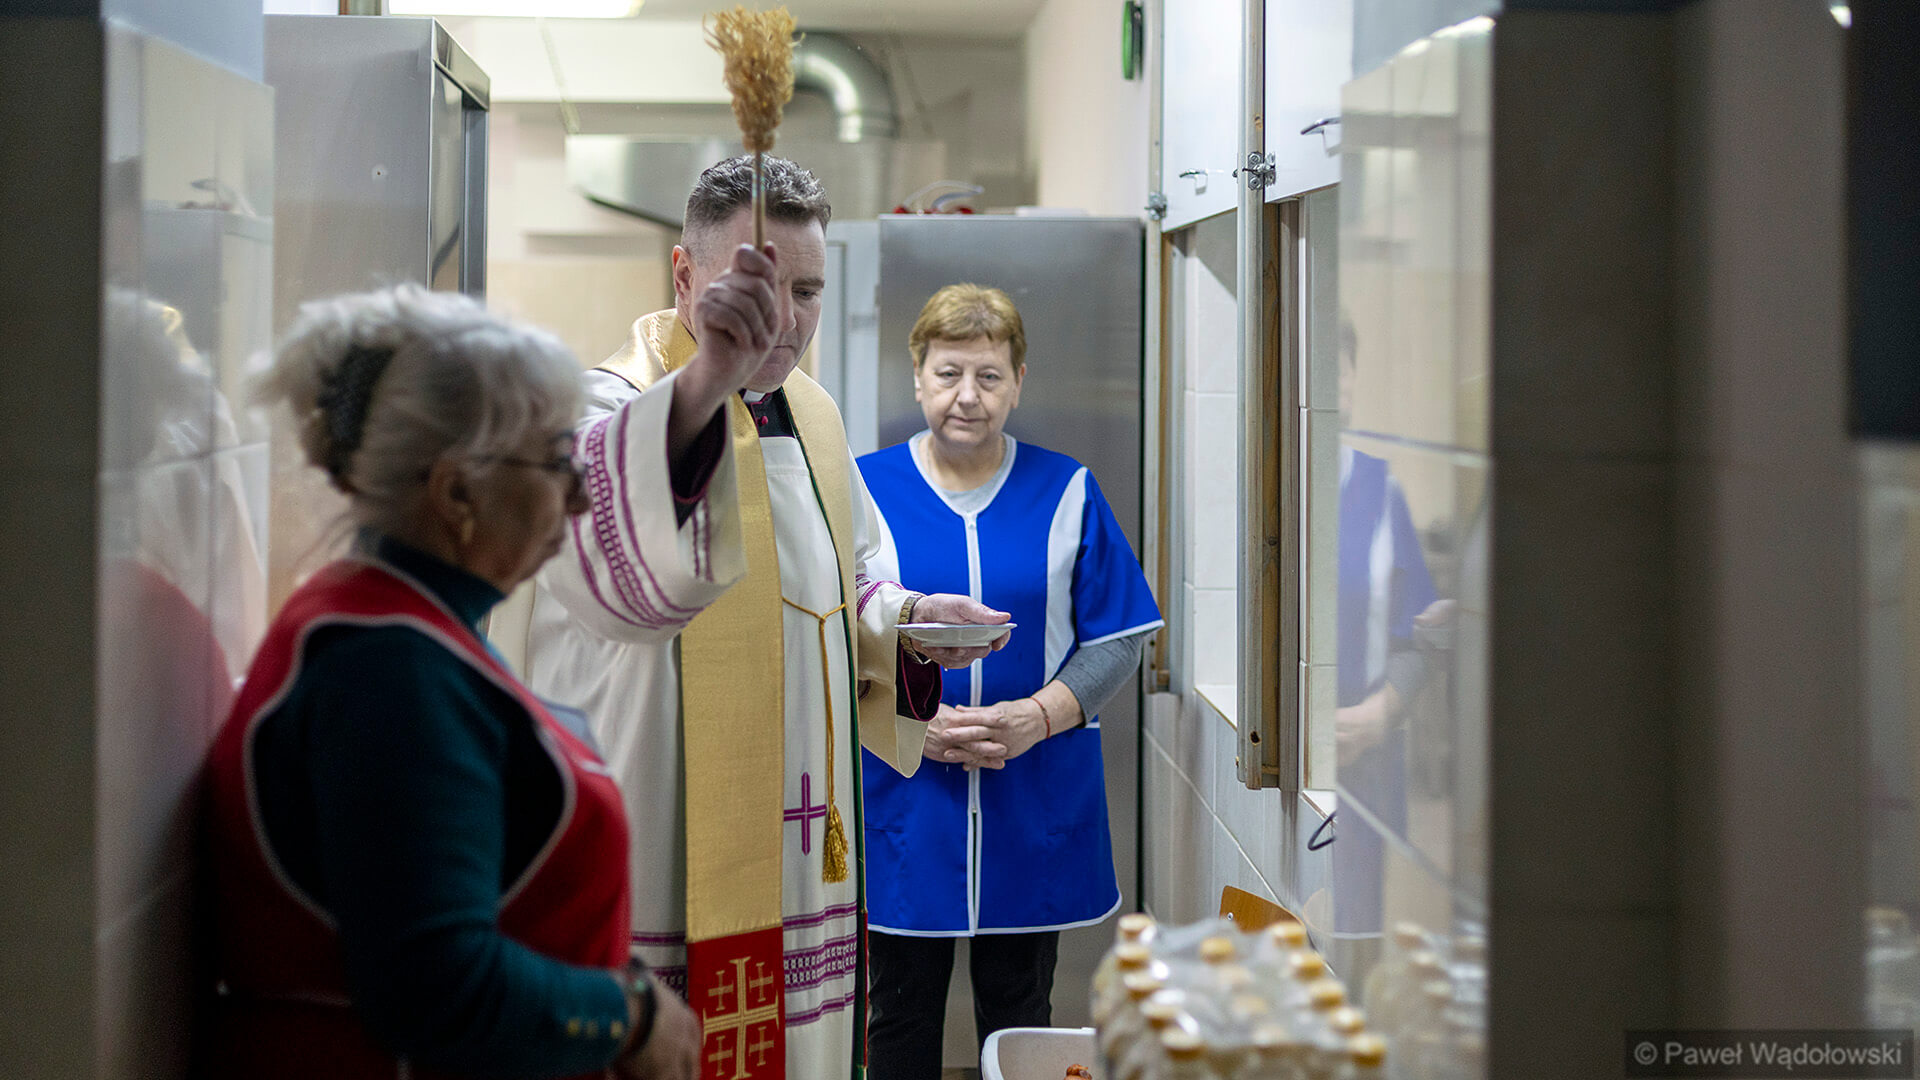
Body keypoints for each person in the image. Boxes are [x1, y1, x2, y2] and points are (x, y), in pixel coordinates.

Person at [200, 280, 783, 1079]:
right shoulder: (385, 670)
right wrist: (630, 1016)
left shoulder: (409, 623)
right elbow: (434, 986)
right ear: (457, 492)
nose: (581, 495)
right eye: (554, 462)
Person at [510, 156, 1007, 1080]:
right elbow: (627, 567)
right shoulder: (603, 409)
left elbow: (849, 579)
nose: (784, 318)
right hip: (659, 846)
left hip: (797, 855)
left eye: (807, 289)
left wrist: (905, 620)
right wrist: (709, 379)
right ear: (685, 276)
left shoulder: (810, 417)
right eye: (757, 285)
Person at [855, 284, 1164, 1079]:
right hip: (906, 795)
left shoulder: (1068, 491)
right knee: (897, 1016)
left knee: (1022, 1011)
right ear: (917, 376)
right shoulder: (860, 493)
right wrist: (911, 727)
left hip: (1034, 797)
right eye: (949, 372)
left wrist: (1035, 716)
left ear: (1019, 381)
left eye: (989, 376)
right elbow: (827, 638)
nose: (968, 396)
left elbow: (1118, 641)